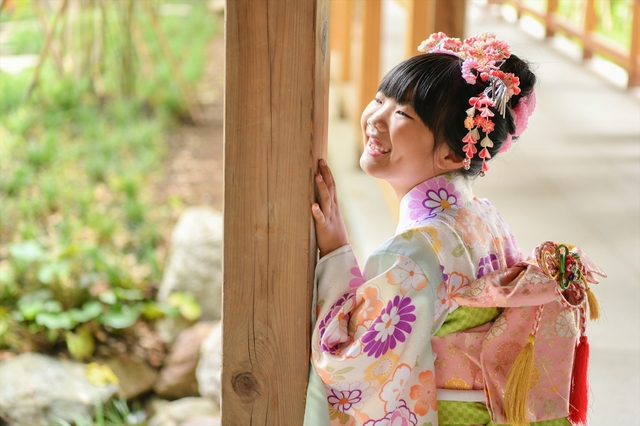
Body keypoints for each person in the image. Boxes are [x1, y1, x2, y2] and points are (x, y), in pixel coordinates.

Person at [303, 33, 605, 426]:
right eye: (380, 99)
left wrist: (336, 254)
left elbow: (353, 365)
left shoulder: (414, 251)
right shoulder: (484, 218)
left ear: (450, 153)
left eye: (403, 114)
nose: (375, 118)